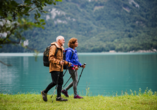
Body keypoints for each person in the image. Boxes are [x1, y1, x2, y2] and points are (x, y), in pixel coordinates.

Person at [41, 36, 71, 102]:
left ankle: (58, 97)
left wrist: (67, 63)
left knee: (60, 82)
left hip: (60, 68)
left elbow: (62, 60)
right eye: (63, 40)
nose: (64, 41)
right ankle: (44, 91)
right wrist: (59, 62)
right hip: (54, 68)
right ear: (59, 40)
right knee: (55, 82)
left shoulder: (61, 48)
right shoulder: (53, 47)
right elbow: (50, 58)